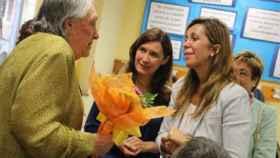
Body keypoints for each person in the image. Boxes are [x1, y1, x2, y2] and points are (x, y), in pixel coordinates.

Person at [0, 0, 114, 157]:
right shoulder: (57, 50)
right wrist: (90, 144)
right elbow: (35, 130)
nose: (96, 34)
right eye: (92, 23)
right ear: (69, 25)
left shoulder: (32, 43)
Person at [156, 18, 251, 158]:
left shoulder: (234, 96)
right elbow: (162, 133)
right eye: (186, 38)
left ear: (214, 49)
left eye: (194, 39)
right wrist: (164, 144)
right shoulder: (180, 86)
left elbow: (236, 156)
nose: (186, 44)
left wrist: (186, 146)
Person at [84, 27, 173, 158]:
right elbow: (91, 127)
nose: (145, 59)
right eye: (142, 50)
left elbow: (168, 142)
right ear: (135, 50)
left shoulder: (168, 98)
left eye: (154, 54)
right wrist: (118, 142)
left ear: (165, 60)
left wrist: (146, 146)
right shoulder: (112, 86)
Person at [233, 51, 277, 158]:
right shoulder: (214, 101)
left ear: (254, 80)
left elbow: (265, 155)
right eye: (231, 72)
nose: (234, 77)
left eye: (242, 73)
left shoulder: (266, 114)